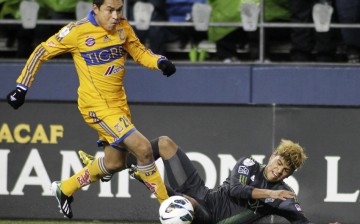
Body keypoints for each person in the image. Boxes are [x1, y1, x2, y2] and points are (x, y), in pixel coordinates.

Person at [6, 0, 176, 219]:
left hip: (119, 105)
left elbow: (140, 52)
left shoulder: (123, 27)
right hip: (96, 107)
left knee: (114, 163)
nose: (115, 16)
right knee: (143, 149)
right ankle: (168, 212)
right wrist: (22, 87)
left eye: (119, 10)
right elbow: (41, 52)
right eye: (110, 10)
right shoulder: (77, 31)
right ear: (95, 8)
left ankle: (65, 188)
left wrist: (160, 61)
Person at [81, 136, 313, 223]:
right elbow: (235, 190)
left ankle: (137, 173)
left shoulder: (284, 195)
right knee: (164, 144)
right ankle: (114, 164)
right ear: (273, 156)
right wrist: (270, 194)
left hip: (211, 218)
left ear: (290, 174)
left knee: (184, 204)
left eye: (286, 171)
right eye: (279, 163)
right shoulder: (249, 164)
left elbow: (301, 221)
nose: (279, 171)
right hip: (202, 194)